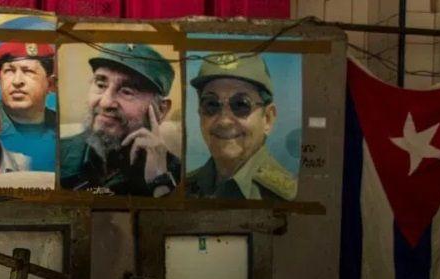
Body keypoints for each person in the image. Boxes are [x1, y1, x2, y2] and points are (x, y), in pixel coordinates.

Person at [59, 44, 181, 197]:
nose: (105, 102)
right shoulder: (56, 155)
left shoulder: (178, 175)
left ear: (161, 110)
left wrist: (160, 181)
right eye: (101, 85)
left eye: (127, 92)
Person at [185, 53, 297, 201]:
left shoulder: (291, 198)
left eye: (241, 105)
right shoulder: (183, 189)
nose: (224, 121)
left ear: (268, 119)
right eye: (211, 104)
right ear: (200, 113)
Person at [0, 43, 57, 172]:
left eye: (28, 71)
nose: (17, 81)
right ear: (0, 81)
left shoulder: (60, 127)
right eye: (9, 71)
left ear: (50, 84)